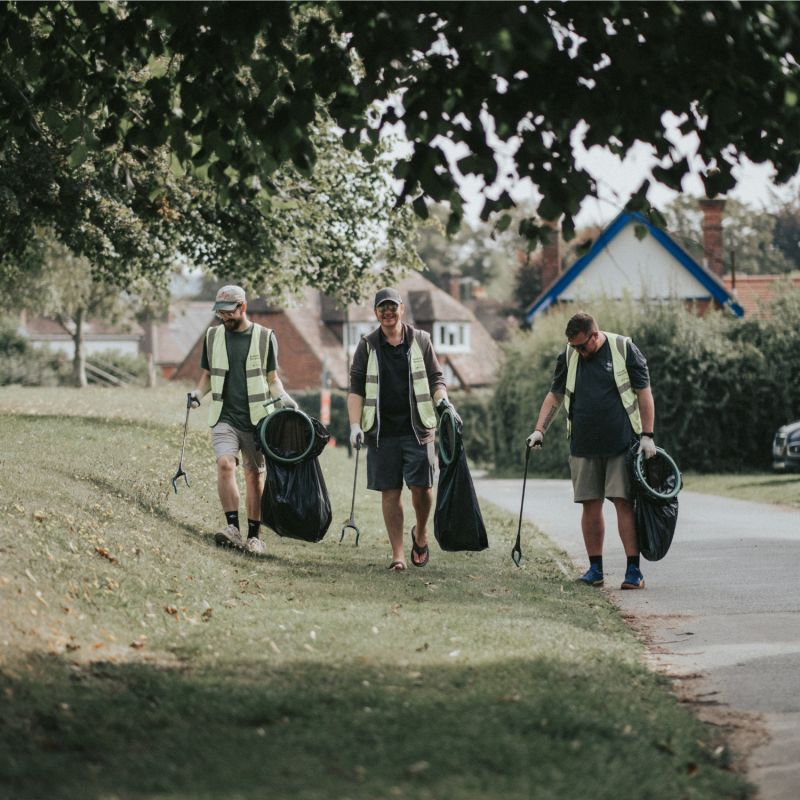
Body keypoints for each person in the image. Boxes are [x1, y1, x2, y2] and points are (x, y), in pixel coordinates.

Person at [527, 311, 656, 589]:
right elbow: (555, 394)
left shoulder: (624, 349)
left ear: (595, 335)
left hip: (621, 444)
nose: (578, 351)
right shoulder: (569, 355)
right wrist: (540, 429)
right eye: (574, 346)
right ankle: (595, 570)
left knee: (623, 503)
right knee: (589, 504)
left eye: (582, 346)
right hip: (583, 445)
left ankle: (634, 571)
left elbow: (644, 392)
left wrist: (647, 435)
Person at [347, 287, 458, 571]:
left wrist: (444, 404)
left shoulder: (421, 340)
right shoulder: (367, 345)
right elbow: (356, 389)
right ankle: (397, 554)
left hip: (418, 428)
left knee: (423, 489)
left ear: (401, 310)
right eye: (382, 308)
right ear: (376, 313)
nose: (387, 312)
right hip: (382, 433)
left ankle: (420, 533)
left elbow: (436, 379)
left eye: (392, 307)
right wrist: (355, 425)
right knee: (390, 492)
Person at [188, 285, 297, 555]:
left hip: (258, 420)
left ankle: (254, 536)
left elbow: (272, 378)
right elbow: (208, 376)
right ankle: (232, 528)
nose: (224, 317)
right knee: (225, 464)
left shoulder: (264, 337)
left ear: (243, 307)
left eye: (228, 312)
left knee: (254, 476)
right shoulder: (213, 336)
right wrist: (197, 394)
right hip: (225, 416)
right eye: (220, 313)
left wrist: (283, 397)